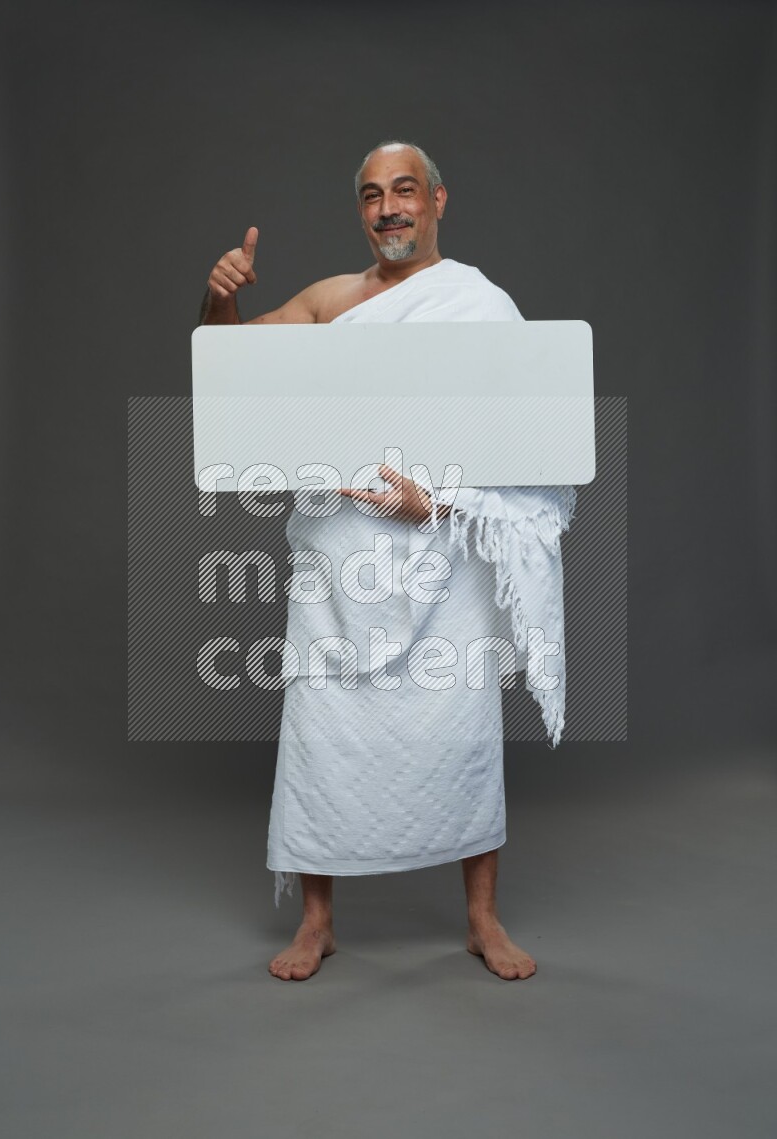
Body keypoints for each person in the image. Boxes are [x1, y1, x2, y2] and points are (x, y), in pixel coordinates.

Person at [199, 140, 576, 983]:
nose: (388, 209)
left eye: (405, 191)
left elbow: (531, 453)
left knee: (463, 728)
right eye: (372, 196)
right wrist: (217, 300)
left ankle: (481, 917)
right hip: (338, 560)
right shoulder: (330, 299)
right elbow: (229, 375)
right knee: (322, 731)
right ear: (360, 211)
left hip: (443, 556)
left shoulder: (482, 306)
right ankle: (318, 922)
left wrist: (434, 504)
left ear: (439, 201)